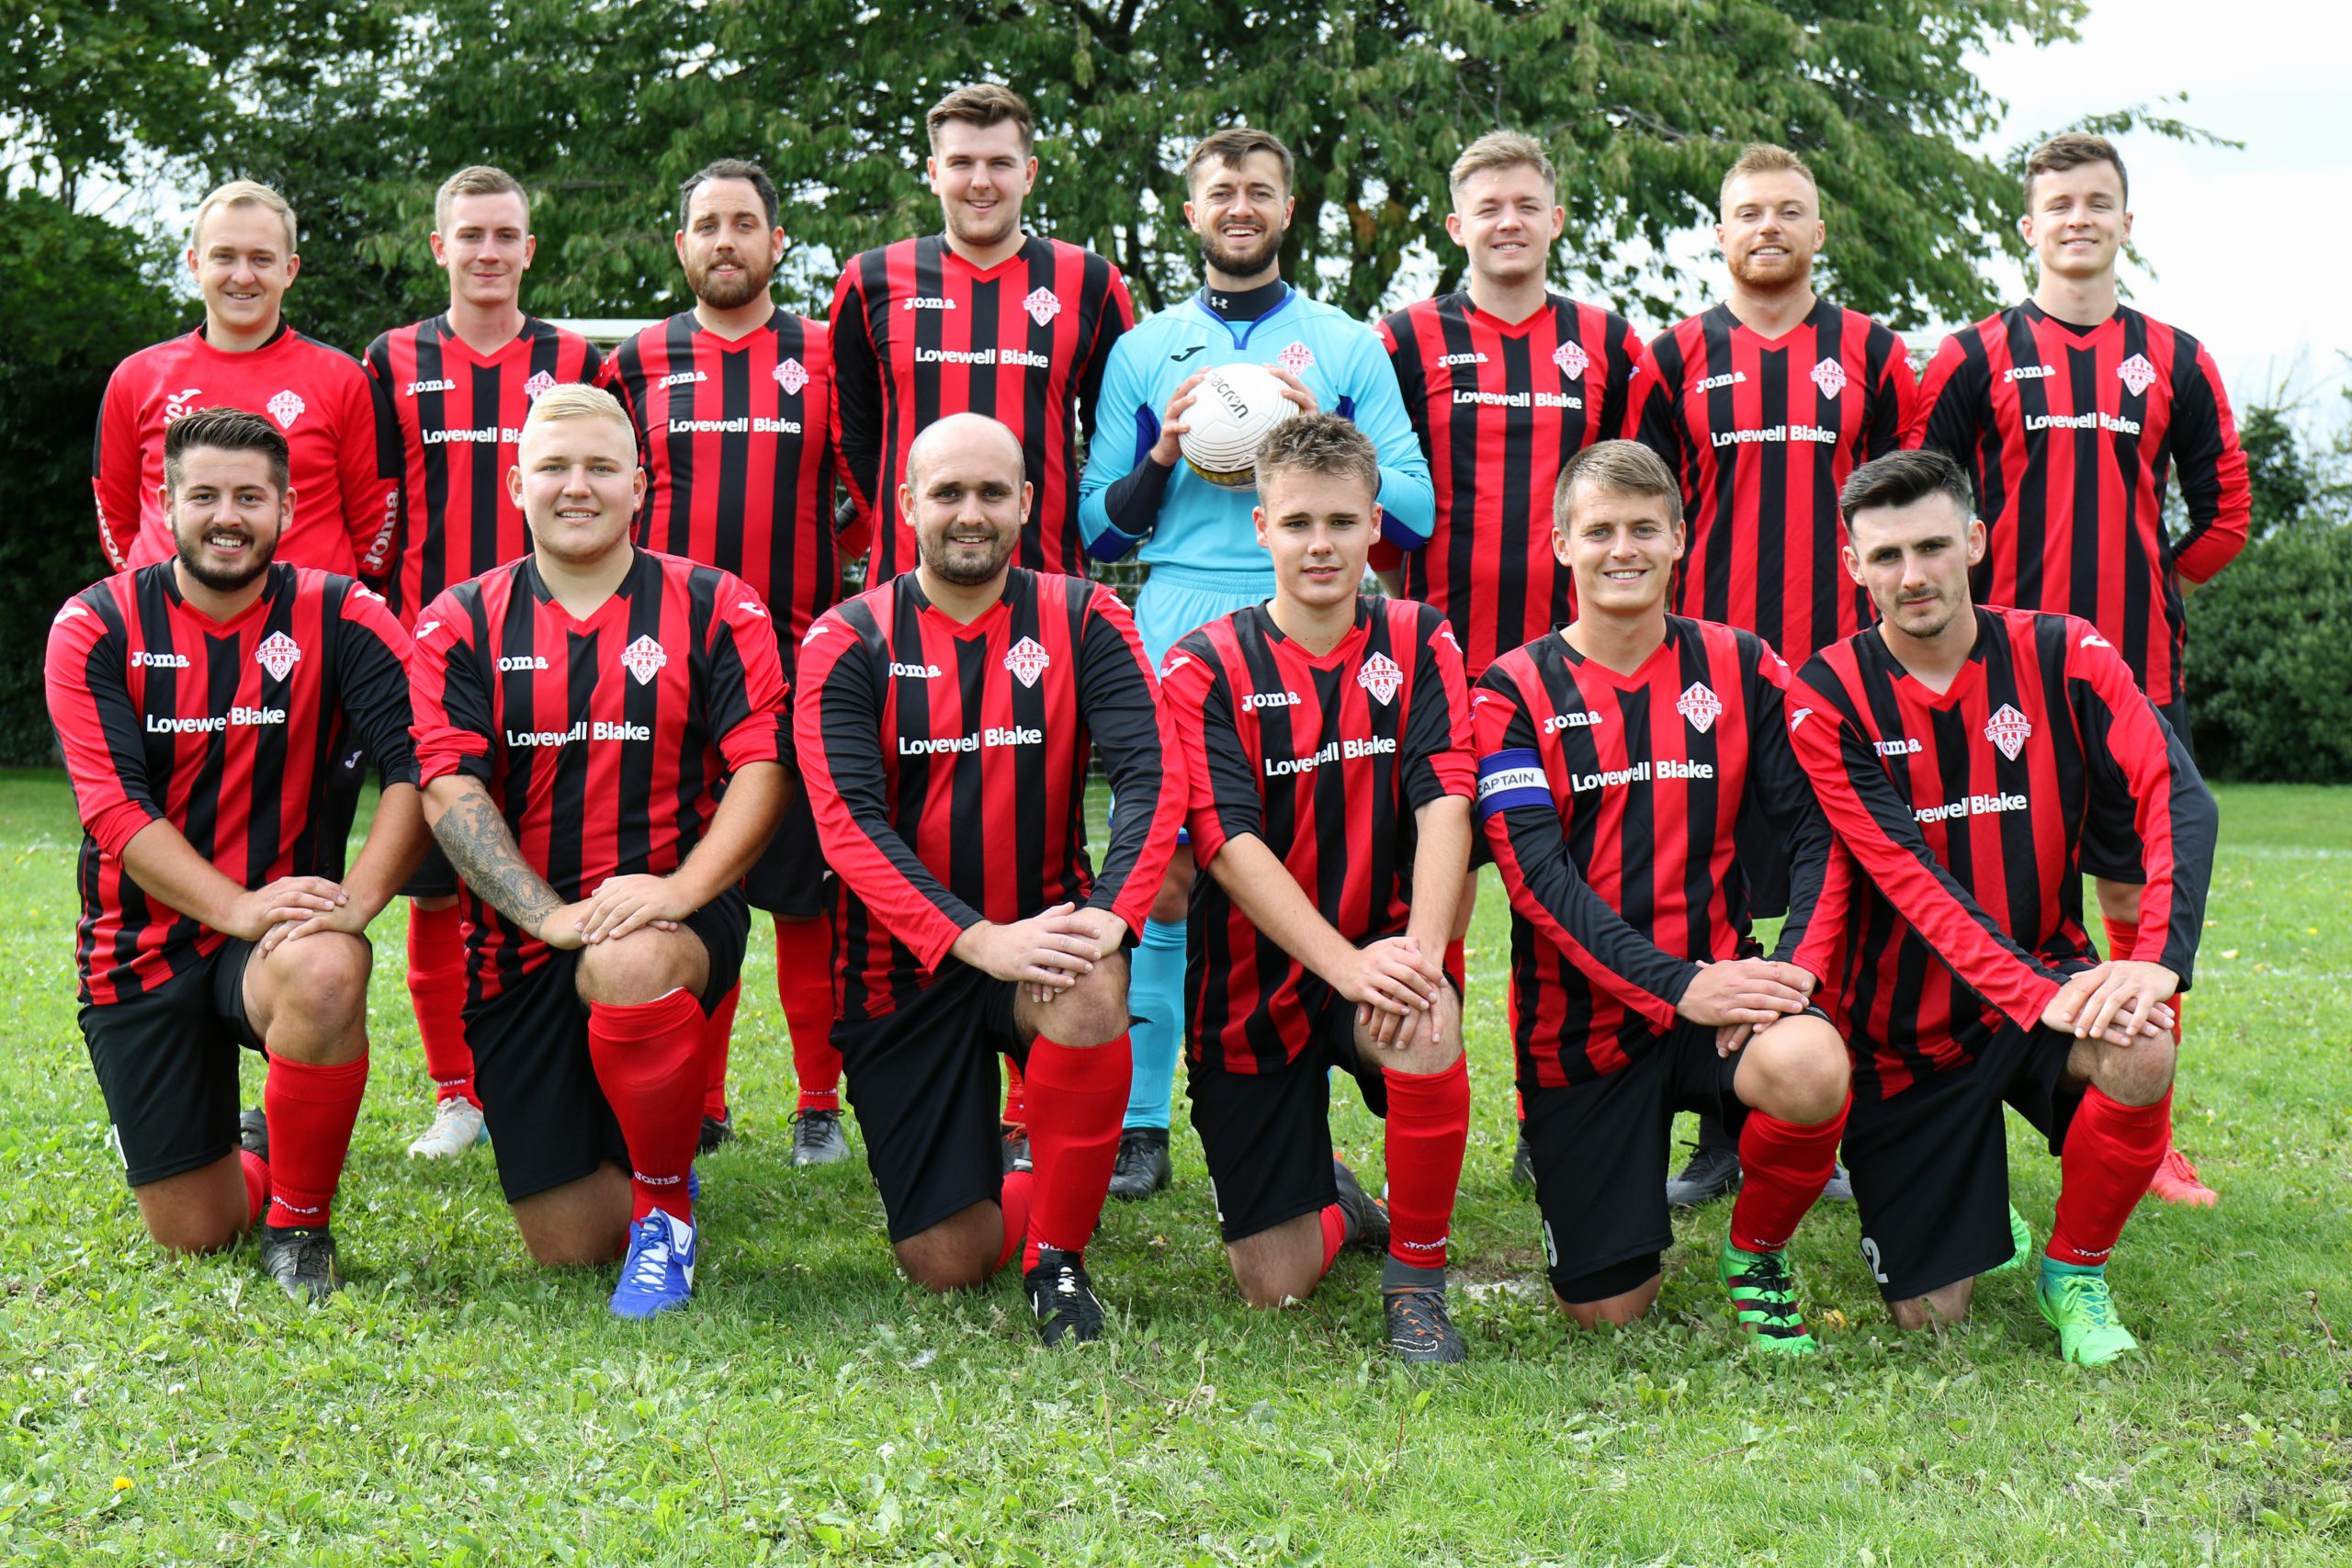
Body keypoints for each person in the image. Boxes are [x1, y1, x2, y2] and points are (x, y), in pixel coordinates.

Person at [1785, 448, 2213, 1365]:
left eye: (1933, 547)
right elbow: (1903, 871)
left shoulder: (2066, 651)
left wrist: (2157, 959)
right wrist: (2032, 992)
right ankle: (1949, 1193)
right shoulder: (1824, 694)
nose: (1913, 575)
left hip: (2041, 981)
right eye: (1887, 556)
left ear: (1973, 542)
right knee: (1932, 1320)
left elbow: (2173, 794)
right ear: (1853, 565)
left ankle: (2074, 1269)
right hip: (1900, 1039)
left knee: (2141, 1044)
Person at [1079, 126, 1434, 1200]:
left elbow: (1407, 513)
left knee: (1312, 867)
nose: (1240, 207)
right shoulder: (1146, 350)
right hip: (1180, 612)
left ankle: (1302, 1113)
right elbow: (1101, 530)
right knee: (1167, 868)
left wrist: (1316, 440)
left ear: (1287, 212)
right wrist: (1162, 455)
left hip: (1319, 612)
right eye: (1220, 192)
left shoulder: (1344, 344)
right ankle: (1143, 1117)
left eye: (1261, 192)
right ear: (1192, 214)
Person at [1909, 132, 2248, 1206]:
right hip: (1998, 681)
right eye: (2057, 203)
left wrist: (2153, 577)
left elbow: (2224, 511)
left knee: (2136, 886)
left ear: (2125, 222)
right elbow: (1923, 498)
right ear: (2028, 224)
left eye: (2097, 202)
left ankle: (2138, 1133)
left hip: (2135, 674)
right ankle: (1946, 1112)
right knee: (1979, 884)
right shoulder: (1972, 358)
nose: (2077, 219)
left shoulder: (2177, 358)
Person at [796, 412, 1182, 1346]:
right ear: (906, 507)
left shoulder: (1086, 616)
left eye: (991, 493)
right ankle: (1023, 1186)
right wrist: (978, 939)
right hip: (900, 972)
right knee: (947, 1262)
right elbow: (849, 825)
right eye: (948, 493)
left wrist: (1108, 919)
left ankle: (1058, 1259)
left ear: (1026, 505)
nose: (970, 513)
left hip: (1042, 944)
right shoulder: (845, 640)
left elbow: (1153, 775)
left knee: (1093, 985)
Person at [408, 385, 790, 1319]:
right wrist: (545, 914)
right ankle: (639, 1156)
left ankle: (665, 1215)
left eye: (598, 467)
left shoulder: (716, 606)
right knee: (572, 1246)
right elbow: (448, 789)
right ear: (516, 485)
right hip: (518, 943)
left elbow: (763, 768)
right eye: (553, 467)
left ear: (639, 484)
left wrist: (678, 890)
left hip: (671, 915)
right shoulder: (458, 621)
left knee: (632, 958)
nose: (575, 487)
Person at [1475, 440, 1851, 1354]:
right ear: (1560, 543)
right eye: (1598, 530)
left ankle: (1755, 1251)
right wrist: (1679, 984)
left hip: (1722, 1005)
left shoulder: (1741, 665)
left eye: (1644, 527)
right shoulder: (1509, 690)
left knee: (1809, 1065)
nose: (1622, 549)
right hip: (1585, 1027)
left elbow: (1818, 831)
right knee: (1607, 1311)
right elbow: (1536, 879)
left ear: (1679, 538)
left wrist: (1790, 972)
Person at [47, 406, 426, 1301]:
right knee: (195, 1231)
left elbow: (424, 769)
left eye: (250, 496)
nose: (228, 515)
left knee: (329, 970)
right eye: (205, 495)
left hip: (275, 940)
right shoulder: (95, 627)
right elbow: (112, 812)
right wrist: (236, 905)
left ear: (287, 509)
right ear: (166, 505)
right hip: (140, 946)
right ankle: (257, 1149)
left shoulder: (343, 614)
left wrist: (358, 901)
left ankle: (300, 1228)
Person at [1627, 142, 1912, 1207]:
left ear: (1817, 231)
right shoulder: (1670, 359)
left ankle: (1837, 1120)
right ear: (1720, 231)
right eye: (1748, 211)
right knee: (1714, 893)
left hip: (1843, 675)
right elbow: (1646, 516)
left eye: (1788, 211)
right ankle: (1719, 1126)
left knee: (1838, 888)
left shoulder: (1874, 355)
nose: (1768, 227)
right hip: (1709, 676)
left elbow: (1902, 511)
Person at [1159, 414, 1476, 1363]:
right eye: (1297, 523)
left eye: (1341, 522)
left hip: (1380, 959)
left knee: (1424, 1019)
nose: (1320, 544)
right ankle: (1335, 1200)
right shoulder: (1203, 664)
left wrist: (1416, 961)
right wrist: (1344, 968)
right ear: (1260, 528)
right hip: (1250, 992)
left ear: (1374, 523)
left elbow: (1445, 803)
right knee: (1275, 1285)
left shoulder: (1421, 641)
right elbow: (1226, 843)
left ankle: (1416, 1282)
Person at [1374, 128, 1642, 1192]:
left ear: (1555, 216)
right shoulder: (1407, 339)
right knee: (1426, 905)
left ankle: (1551, 1114)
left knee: (1559, 895)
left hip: (1567, 675)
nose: (1508, 222)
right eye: (1487, 206)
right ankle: (1421, 1101)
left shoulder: (1604, 340)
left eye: (1526, 203)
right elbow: (1380, 497)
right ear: (1456, 225)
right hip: (1441, 674)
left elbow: (1631, 491)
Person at [604, 159, 849, 1166]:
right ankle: (700, 1100)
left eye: (745, 223)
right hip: (665, 665)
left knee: (804, 893)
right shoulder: (635, 360)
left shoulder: (829, 354)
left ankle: (817, 1103)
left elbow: (871, 490)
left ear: (776, 243)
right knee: (691, 884)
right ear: (681, 244)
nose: (725, 241)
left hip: (794, 665)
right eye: (707, 224)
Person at [365, 164, 605, 1160]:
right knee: (438, 881)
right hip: (436, 661)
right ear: (439, 247)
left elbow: (620, 484)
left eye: (506, 235)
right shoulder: (392, 357)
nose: (489, 251)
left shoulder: (578, 356)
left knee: (564, 863)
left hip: (556, 658)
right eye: (471, 235)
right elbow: (372, 506)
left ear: (529, 250)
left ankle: (587, 1069)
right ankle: (458, 1096)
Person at [830, 82, 1134, 582]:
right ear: (933, 173)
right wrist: (904, 521)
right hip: (907, 580)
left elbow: (1115, 437)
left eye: (1000, 163)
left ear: (1029, 173)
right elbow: (851, 437)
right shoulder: (870, 279)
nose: (980, 181)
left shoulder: (1091, 282)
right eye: (961, 163)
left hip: (1047, 579)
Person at [94, 180, 400, 581]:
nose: (242, 276)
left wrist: (324, 608)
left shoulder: (344, 380)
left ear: (289, 270)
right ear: (194, 264)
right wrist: (160, 591)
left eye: (261, 259)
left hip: (309, 629)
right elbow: (116, 522)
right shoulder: (136, 378)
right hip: (165, 629)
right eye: (224, 256)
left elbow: (377, 530)